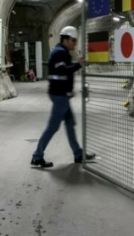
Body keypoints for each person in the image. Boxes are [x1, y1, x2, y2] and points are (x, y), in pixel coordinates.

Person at [31, 26, 95, 168]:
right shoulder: (60, 52)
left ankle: (78, 154)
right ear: (65, 39)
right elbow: (62, 70)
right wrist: (78, 65)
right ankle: (37, 156)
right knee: (53, 127)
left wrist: (69, 90)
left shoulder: (61, 51)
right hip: (59, 95)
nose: (75, 43)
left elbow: (63, 70)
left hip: (61, 94)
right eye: (73, 40)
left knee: (70, 124)